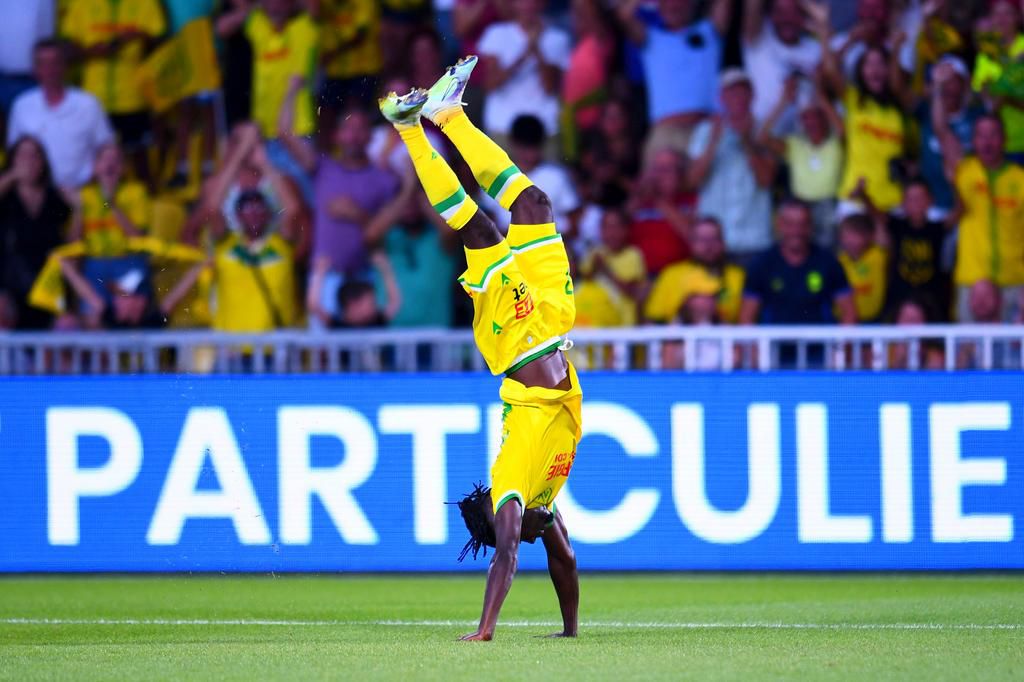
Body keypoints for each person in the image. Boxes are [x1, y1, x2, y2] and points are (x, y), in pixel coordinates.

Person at [379, 56, 580, 641]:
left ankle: (424, 124)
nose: (496, 504)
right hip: (549, 326)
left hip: (517, 340)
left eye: (498, 509)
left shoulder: (514, 478)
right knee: (533, 205)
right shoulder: (543, 507)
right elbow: (561, 560)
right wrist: (569, 630)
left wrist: (487, 628)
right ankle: (423, 122)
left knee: (482, 230)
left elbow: (508, 557)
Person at [280, 98, 400, 327]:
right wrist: (292, 89)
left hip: (366, 280)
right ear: (336, 135)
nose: (354, 135)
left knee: (367, 357)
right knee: (323, 357)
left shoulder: (384, 180)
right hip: (325, 279)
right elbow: (284, 134)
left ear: (370, 137)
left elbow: (390, 230)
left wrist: (357, 214)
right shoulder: (322, 169)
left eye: (360, 128)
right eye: (348, 128)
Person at [813, 3, 908, 212]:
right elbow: (828, 70)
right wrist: (848, 39)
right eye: (869, 64)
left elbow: (896, 82)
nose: (875, 70)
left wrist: (896, 50)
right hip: (854, 198)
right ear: (860, 71)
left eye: (880, 64)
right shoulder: (853, 99)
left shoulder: (899, 105)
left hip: (892, 201)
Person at [61, 0, 166, 184]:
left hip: (133, 97)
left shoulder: (147, 3)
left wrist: (140, 36)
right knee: (92, 165)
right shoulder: (81, 4)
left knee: (142, 167)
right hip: (93, 101)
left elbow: (162, 44)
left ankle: (141, 209)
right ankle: (96, 211)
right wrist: (91, 52)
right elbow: (66, 51)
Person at [617, 0, 733, 162]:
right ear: (660, 7)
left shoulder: (710, 31)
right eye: (667, 2)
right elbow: (623, 15)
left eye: (679, 2)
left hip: (708, 129)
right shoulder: (652, 39)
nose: (674, 6)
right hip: (666, 134)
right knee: (655, 186)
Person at [688, 69, 777, 262]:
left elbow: (766, 180)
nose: (738, 98)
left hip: (755, 240)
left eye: (742, 92)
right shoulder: (705, 131)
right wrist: (713, 142)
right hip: (715, 242)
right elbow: (693, 181)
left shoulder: (766, 131)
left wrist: (747, 141)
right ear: (721, 98)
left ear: (752, 96)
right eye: (731, 92)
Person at [7, 39, 114, 190]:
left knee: (106, 204)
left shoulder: (89, 104)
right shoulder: (22, 106)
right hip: (37, 196)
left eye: (55, 62)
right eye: (43, 64)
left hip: (81, 192)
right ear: (35, 70)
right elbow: (14, 155)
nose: (50, 70)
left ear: (65, 66)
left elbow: (107, 149)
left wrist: (103, 195)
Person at [949, 115, 1024, 323]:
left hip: (1014, 282)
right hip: (972, 281)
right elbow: (940, 129)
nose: (987, 141)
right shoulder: (963, 171)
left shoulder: (1020, 179)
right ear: (973, 141)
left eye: (993, 135)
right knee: (967, 351)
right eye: (981, 135)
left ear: (1004, 140)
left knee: (1015, 353)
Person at [759, 75, 845, 247]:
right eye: (806, 117)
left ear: (825, 118)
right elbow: (763, 137)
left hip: (828, 206)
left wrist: (823, 100)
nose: (811, 121)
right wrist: (783, 101)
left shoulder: (835, 143)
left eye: (816, 116)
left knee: (826, 255)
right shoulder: (795, 144)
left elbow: (842, 130)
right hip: (798, 207)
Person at [740, 199, 857, 325]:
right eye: (790, 224)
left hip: (821, 343)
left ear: (811, 226)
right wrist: (756, 345)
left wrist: (839, 345)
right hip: (773, 344)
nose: (796, 231)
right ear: (779, 225)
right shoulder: (761, 264)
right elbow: (746, 318)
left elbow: (849, 313)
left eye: (803, 224)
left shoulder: (829, 262)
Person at [211, 187, 305, 333]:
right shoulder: (226, 245)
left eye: (259, 207)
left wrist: (264, 165)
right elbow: (212, 207)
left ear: (268, 214)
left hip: (274, 348)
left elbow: (293, 208)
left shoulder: (280, 245)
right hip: (231, 348)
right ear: (237, 215)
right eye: (247, 208)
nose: (254, 212)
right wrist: (235, 163)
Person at [0, 136, 71, 329]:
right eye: (23, 155)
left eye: (34, 156)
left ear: (43, 162)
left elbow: (72, 241)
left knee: (66, 327)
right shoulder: (6, 195)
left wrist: (79, 208)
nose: (29, 161)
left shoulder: (55, 197)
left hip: (49, 283)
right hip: (10, 283)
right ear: (12, 160)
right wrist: (13, 176)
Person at [476, 0, 571, 144]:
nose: (529, 5)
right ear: (513, 4)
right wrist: (525, 53)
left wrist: (537, 49)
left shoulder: (558, 38)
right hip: (502, 125)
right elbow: (491, 84)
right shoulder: (496, 34)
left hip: (545, 126)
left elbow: (550, 87)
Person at [644, 216, 745, 325]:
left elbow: (742, 319)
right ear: (691, 243)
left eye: (714, 239)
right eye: (702, 239)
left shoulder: (737, 275)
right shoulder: (672, 274)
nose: (708, 246)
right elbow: (654, 318)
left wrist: (714, 305)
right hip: (677, 338)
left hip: (724, 337)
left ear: (723, 243)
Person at [741, 0, 823, 133]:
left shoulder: (815, 49)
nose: (787, 18)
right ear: (770, 16)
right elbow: (752, 6)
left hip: (802, 144)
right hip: (760, 137)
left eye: (794, 12)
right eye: (780, 11)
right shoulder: (759, 38)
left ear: (804, 16)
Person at [875, 178, 950, 318]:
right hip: (898, 297)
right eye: (911, 199)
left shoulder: (937, 228)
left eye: (920, 198)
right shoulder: (897, 225)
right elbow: (875, 213)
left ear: (930, 200)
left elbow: (959, 211)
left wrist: (954, 181)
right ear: (903, 203)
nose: (916, 203)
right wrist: (863, 196)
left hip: (932, 300)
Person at [972, 0, 1024, 162]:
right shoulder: (986, 54)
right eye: (996, 14)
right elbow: (989, 104)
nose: (1001, 19)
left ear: (1018, 18)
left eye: (1007, 13)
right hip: (997, 150)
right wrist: (1014, 67)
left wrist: (1001, 91)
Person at [578, 207, 646, 326]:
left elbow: (630, 291)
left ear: (625, 230)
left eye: (615, 227)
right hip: (594, 321)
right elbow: (582, 283)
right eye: (606, 227)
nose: (611, 233)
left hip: (622, 323)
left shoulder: (633, 255)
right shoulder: (595, 252)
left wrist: (605, 269)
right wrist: (594, 267)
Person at [836, 211, 887, 322]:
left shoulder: (877, 256)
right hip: (842, 322)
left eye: (855, 235)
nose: (850, 240)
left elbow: (881, 231)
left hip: (873, 322)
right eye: (846, 235)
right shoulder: (837, 261)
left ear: (869, 236)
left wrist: (865, 199)